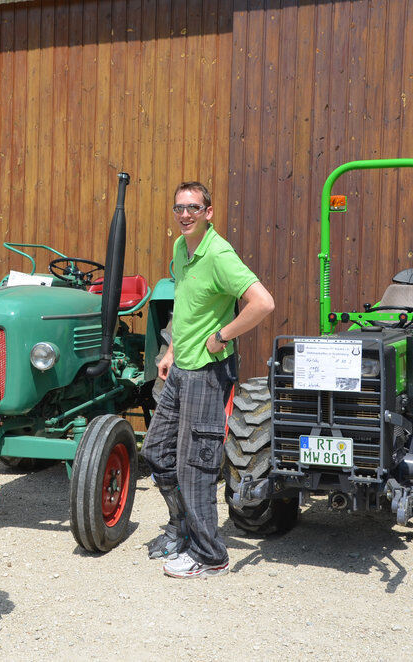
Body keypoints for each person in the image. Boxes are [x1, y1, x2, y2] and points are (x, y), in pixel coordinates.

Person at [142, 181, 274, 579]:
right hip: (182, 366)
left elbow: (262, 303)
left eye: (193, 208)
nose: (185, 215)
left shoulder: (218, 254)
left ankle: (210, 555)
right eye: (179, 207)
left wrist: (222, 337)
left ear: (209, 212)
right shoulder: (182, 249)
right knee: (156, 451)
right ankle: (183, 528)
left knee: (195, 465)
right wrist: (169, 352)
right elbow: (185, 304)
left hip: (207, 373)